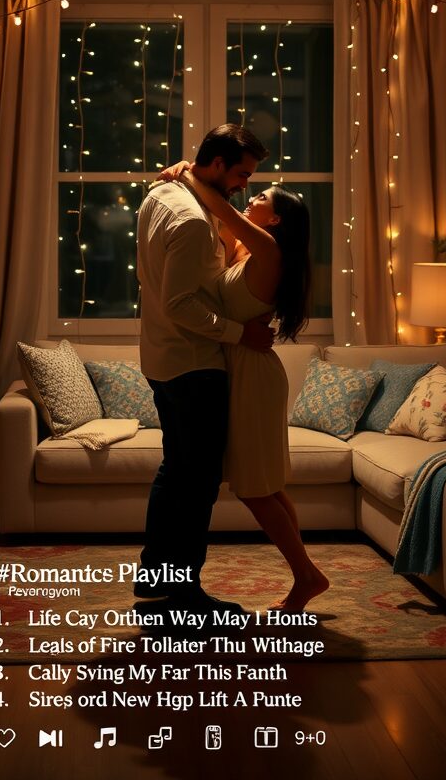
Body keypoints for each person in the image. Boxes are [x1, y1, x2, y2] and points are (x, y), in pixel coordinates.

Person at [160, 162, 330, 612]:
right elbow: (217, 218)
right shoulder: (243, 249)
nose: (249, 198)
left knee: (255, 488)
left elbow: (220, 206)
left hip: (252, 373)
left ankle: (306, 577)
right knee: (267, 486)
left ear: (274, 219)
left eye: (260, 199)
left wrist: (188, 173)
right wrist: (190, 175)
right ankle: (307, 574)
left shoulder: (269, 250)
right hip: (242, 364)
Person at [135, 124, 273, 611]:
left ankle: (155, 577)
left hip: (160, 357)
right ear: (214, 165)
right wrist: (242, 334)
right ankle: (185, 595)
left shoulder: (161, 193)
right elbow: (180, 304)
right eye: (240, 174)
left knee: (176, 472)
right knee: (197, 486)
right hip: (193, 364)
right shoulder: (192, 220)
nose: (244, 185)